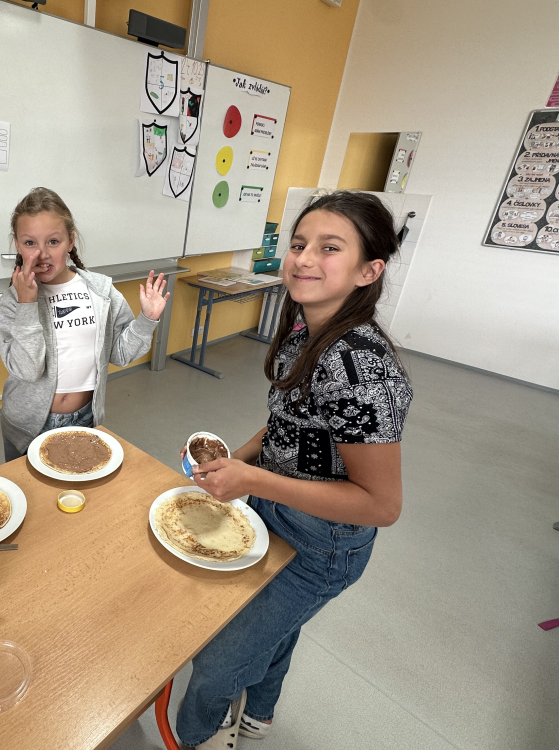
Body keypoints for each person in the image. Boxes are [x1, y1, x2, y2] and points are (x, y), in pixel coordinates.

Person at [176, 190, 413, 749]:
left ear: (369, 270)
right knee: (276, 630)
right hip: (275, 511)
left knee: (217, 662)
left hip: (321, 545)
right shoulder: (303, 329)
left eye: (330, 248)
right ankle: (259, 712)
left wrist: (253, 480)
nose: (304, 259)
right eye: (299, 244)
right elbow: (285, 424)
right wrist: (237, 460)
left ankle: (194, 737)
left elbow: (382, 505)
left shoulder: (359, 369)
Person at [0, 187, 170, 461]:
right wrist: (27, 305)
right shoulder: (11, 303)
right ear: (17, 245)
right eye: (30, 243)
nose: (42, 253)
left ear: (71, 240)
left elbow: (120, 354)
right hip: (27, 428)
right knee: (29, 489)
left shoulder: (100, 291)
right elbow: (28, 371)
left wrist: (147, 320)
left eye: (53, 241)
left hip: (85, 419)